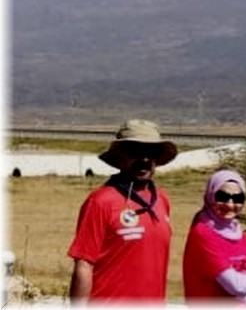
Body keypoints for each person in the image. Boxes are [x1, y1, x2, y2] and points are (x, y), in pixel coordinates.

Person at [68, 119, 178, 302]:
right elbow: (84, 264)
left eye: (151, 152)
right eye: (135, 151)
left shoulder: (161, 200)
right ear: (120, 157)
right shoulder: (100, 201)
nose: (144, 159)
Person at [183, 169, 246, 303]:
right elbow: (236, 286)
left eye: (237, 198)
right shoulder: (203, 233)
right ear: (210, 196)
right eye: (222, 197)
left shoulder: (241, 236)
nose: (230, 204)